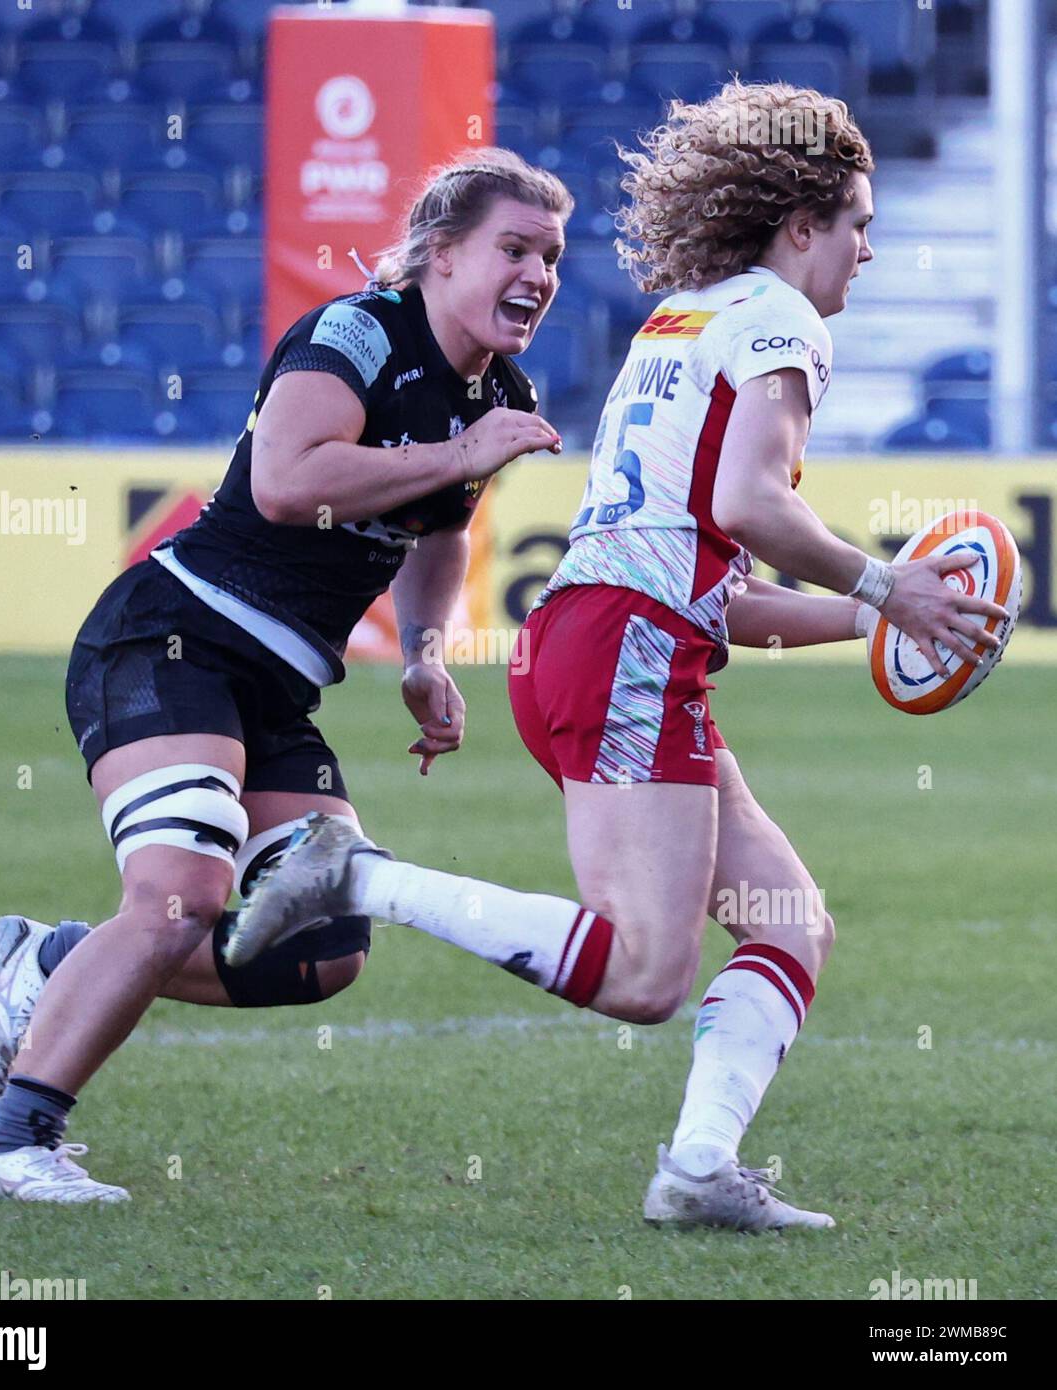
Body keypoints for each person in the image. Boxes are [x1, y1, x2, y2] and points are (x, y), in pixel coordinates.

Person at [224, 80, 1009, 1231]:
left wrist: (873, 621)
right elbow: (747, 503)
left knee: (788, 923)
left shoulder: (688, 315)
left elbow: (713, 580)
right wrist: (887, 582)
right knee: (646, 973)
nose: (867, 252)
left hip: (604, 637)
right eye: (858, 226)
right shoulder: (786, 325)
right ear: (801, 229)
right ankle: (352, 876)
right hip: (626, 650)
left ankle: (697, 1169)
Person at [0, 147, 569, 1202]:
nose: (538, 275)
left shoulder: (498, 390)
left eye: (552, 257)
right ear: (440, 253)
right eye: (513, 248)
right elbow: (288, 481)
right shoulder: (358, 332)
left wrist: (423, 654)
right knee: (182, 894)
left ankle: (53, 960)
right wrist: (460, 456)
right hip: (172, 638)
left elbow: (437, 538)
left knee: (317, 942)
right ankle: (12, 1143)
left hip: (273, 682)